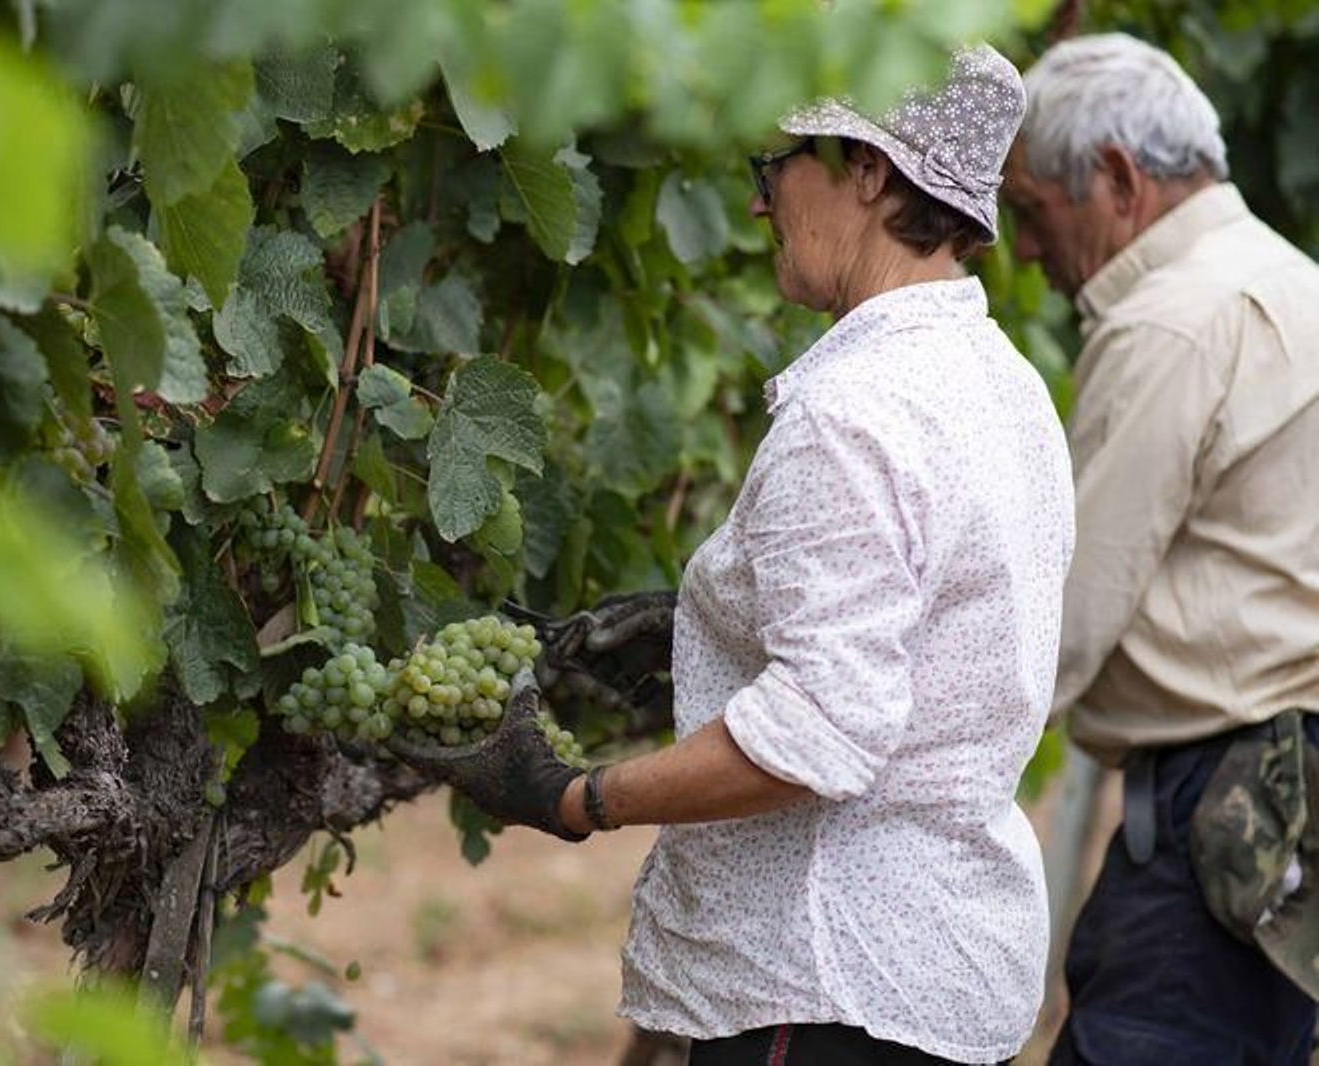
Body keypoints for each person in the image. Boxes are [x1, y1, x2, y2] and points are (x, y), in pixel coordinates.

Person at [399, 47, 1074, 1065]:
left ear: (867, 170)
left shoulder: (851, 415)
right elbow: (909, 621)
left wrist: (578, 797)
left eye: (777, 164)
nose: (760, 204)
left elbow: (819, 735)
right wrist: (707, 620)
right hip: (937, 968)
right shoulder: (1004, 387)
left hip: (823, 982)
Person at [1002, 33, 1319, 1064]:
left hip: (1217, 805)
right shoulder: (1291, 281)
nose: (1022, 253)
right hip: (1286, 798)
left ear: (1117, 180)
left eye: (1030, 214)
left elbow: (1060, 625)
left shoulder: (1169, 323)